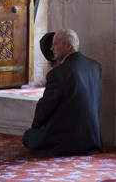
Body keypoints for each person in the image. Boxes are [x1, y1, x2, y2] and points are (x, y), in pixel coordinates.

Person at [23, 29, 102, 157]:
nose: (51, 47)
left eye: (55, 43)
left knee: (29, 137)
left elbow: (46, 107)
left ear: (68, 45)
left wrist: (35, 127)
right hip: (92, 139)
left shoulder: (59, 73)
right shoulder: (95, 66)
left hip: (67, 141)